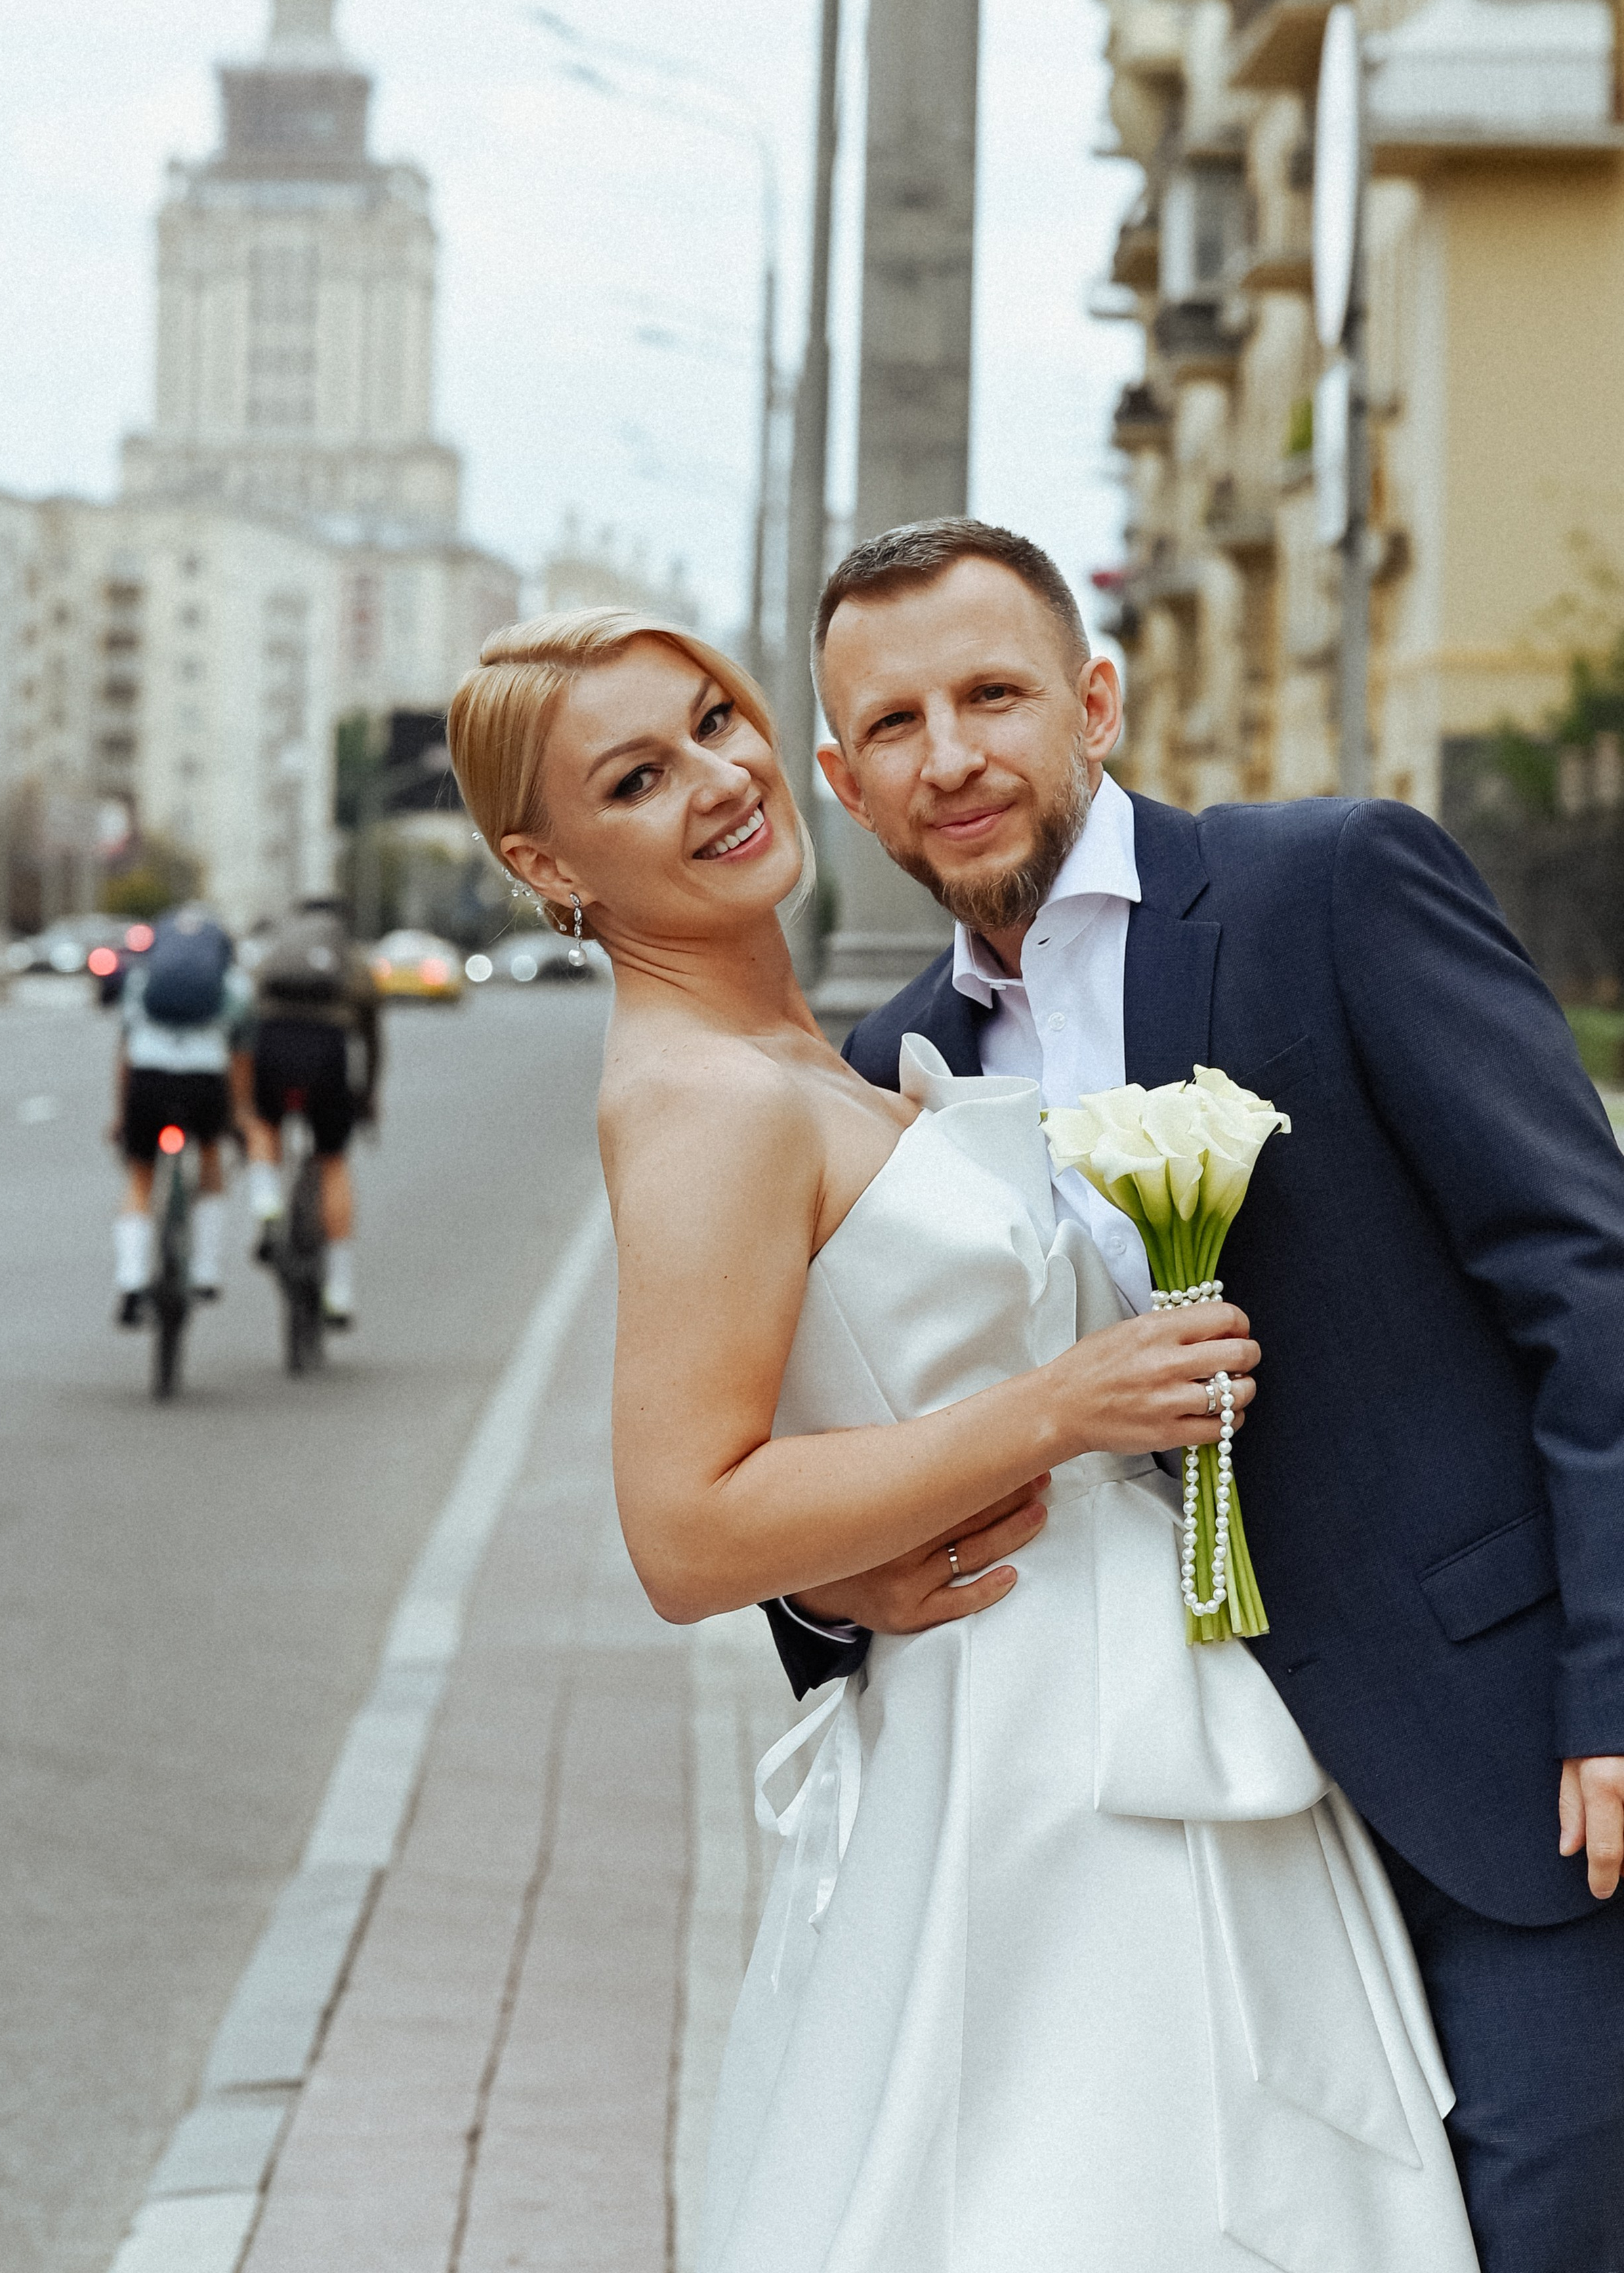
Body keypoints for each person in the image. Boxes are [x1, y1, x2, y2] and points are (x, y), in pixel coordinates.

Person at [448, 607, 1480, 2273]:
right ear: (544, 860)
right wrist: (1063, 1404)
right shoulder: (701, 1098)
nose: (718, 777)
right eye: (637, 777)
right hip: (1024, 1753)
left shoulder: (814, 1057)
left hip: (1109, 1696)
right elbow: (682, 1525)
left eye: (714, 718)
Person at [758, 516, 1624, 2273]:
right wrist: (825, 1594)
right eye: (900, 728)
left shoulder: (1332, 885)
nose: (957, 757)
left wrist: (1614, 1682)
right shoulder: (882, 1073)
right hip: (1145, 1835)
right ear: (849, 785)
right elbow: (863, 1440)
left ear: (1095, 701)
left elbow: (1586, 1279)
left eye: (993, 694)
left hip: (1478, 1752)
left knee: (1547, 2225)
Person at [243, 894, 381, 1330]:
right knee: (332, 1160)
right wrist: (366, 1096)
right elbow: (372, 1037)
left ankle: (266, 1201)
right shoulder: (351, 958)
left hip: (274, 1043)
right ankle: (338, 1292)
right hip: (327, 1052)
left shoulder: (277, 954)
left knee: (264, 1123)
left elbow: (248, 1010)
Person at [111, 902, 252, 1320]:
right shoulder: (234, 986)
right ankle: (205, 1272)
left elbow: (124, 1055)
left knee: (140, 1175)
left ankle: (132, 1281)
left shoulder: (142, 980)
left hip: (148, 1079)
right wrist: (239, 1114)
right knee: (210, 1160)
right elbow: (241, 1058)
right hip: (205, 1082)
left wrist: (120, 1115)